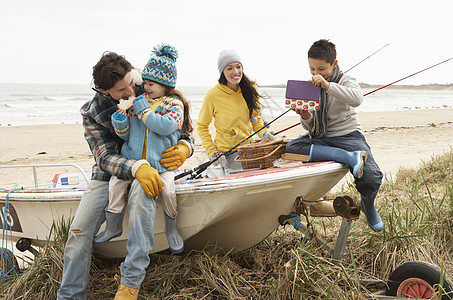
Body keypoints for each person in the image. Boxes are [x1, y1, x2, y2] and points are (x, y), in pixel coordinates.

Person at [56, 50, 193, 300]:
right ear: (105, 92)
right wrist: (135, 167)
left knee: (143, 197)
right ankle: (70, 295)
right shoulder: (92, 112)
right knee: (78, 232)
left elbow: (180, 127)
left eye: (132, 82)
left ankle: (130, 284)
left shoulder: (150, 83)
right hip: (110, 174)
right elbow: (104, 157)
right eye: (122, 90)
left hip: (153, 168)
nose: (132, 90)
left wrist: (186, 147)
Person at [93, 44, 193, 255]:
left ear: (165, 85)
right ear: (106, 91)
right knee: (115, 186)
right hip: (132, 161)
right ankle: (113, 224)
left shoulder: (171, 104)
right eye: (145, 83)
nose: (143, 88)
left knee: (168, 192)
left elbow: (166, 127)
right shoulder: (139, 102)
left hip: (161, 164)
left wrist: (185, 147)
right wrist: (119, 122)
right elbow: (126, 135)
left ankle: (171, 228)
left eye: (150, 84)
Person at [285, 39, 384, 231]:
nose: (316, 74)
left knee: (371, 177)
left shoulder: (346, 81)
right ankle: (346, 157)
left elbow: (357, 99)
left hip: (348, 136)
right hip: (322, 138)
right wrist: (305, 115)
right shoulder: (311, 86)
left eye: (321, 69)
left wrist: (327, 86)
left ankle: (368, 204)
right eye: (312, 69)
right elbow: (310, 126)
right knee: (292, 147)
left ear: (334, 64)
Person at [196, 49, 273, 170]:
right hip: (227, 153)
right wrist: (212, 151)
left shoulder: (251, 89)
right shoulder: (212, 95)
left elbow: (256, 118)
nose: (235, 72)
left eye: (238, 67)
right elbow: (201, 126)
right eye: (229, 68)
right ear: (222, 71)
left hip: (249, 149)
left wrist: (263, 132)